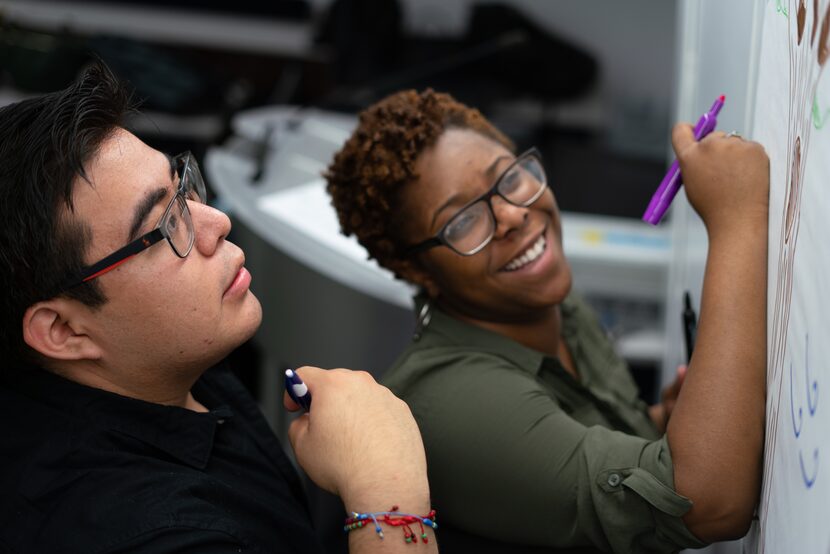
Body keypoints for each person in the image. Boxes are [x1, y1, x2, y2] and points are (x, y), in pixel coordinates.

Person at [0, 62, 436, 554]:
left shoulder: (159, 359)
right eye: (164, 227)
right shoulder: (154, 535)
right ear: (62, 329)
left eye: (182, 186)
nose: (217, 222)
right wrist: (387, 492)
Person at [325, 89, 769, 553]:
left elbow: (583, 448)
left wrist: (670, 422)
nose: (513, 215)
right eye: (464, 220)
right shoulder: (455, 402)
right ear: (418, 270)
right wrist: (738, 219)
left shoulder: (549, 304)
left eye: (509, 179)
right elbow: (708, 503)